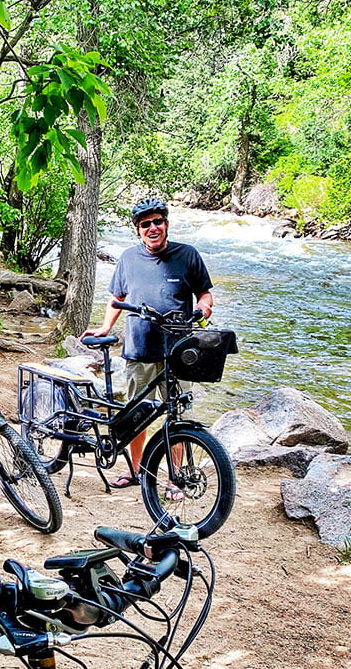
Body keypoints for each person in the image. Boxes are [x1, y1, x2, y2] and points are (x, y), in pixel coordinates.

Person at [81, 197, 213, 488]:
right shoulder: (128, 258)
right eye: (145, 224)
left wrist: (203, 309)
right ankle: (137, 471)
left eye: (157, 222)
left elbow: (205, 294)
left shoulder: (187, 255)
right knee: (135, 414)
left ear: (166, 224)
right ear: (138, 230)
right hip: (139, 351)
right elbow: (117, 299)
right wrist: (105, 327)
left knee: (179, 417)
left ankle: (176, 479)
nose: (152, 228)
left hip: (179, 353)